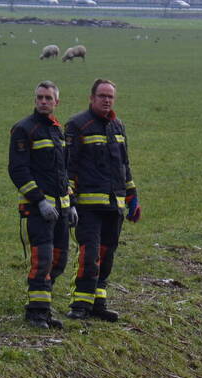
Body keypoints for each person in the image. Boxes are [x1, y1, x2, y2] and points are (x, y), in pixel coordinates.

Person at [64, 78, 141, 322]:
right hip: (88, 207)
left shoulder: (118, 126)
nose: (106, 100)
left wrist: (132, 195)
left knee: (107, 255)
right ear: (91, 98)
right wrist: (69, 201)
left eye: (110, 96)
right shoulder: (77, 125)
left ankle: (98, 302)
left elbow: (124, 165)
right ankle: (80, 304)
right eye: (102, 96)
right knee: (90, 254)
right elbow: (68, 167)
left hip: (115, 205)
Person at [8, 80, 76, 329]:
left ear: (57, 102)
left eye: (48, 98)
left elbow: (64, 171)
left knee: (59, 260)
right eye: (40, 97)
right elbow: (17, 170)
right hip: (38, 209)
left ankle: (44, 307)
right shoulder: (24, 129)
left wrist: (72, 204)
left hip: (61, 207)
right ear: (35, 100)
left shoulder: (58, 131)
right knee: (43, 259)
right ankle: (36, 312)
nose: (44, 101)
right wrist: (39, 201)